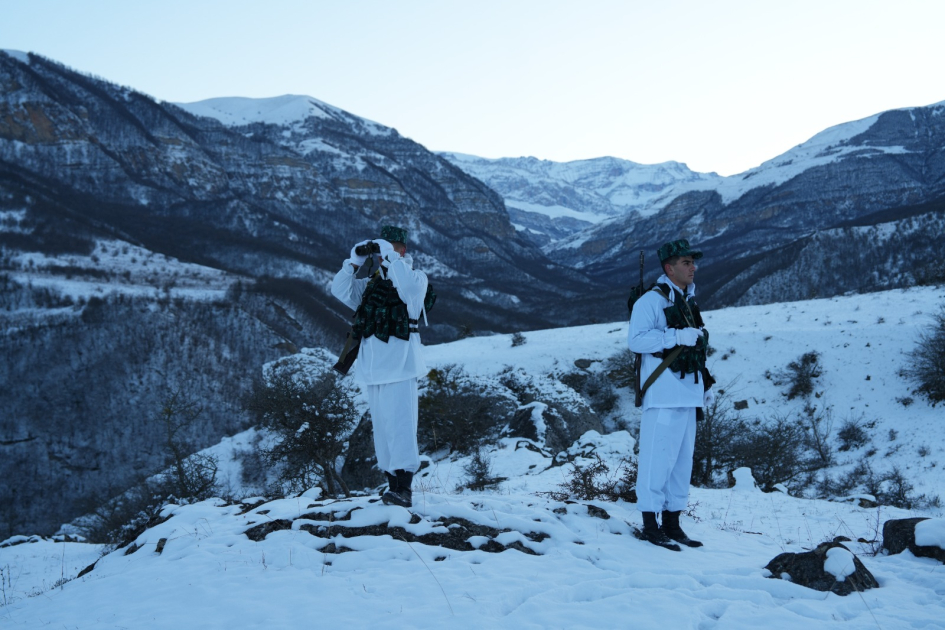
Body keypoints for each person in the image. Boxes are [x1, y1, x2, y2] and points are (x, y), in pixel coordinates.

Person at [330, 225, 435, 508]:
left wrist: (392, 259)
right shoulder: (371, 285)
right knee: (383, 432)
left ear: (402, 249)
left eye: (390, 247)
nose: (381, 254)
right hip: (372, 370)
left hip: (401, 366)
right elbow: (339, 290)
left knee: (401, 427)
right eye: (380, 248)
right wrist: (354, 261)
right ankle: (392, 486)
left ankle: (405, 490)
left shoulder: (415, 279)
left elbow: (409, 288)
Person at [628, 239, 713, 551]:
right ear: (669, 267)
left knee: (681, 463)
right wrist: (676, 335)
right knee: (656, 461)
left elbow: (696, 352)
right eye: (686, 262)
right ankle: (650, 526)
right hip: (663, 394)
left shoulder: (688, 300)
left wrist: (703, 387)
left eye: (693, 262)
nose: (693, 267)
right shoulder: (650, 301)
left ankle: (673, 524)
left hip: (688, 395)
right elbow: (635, 340)